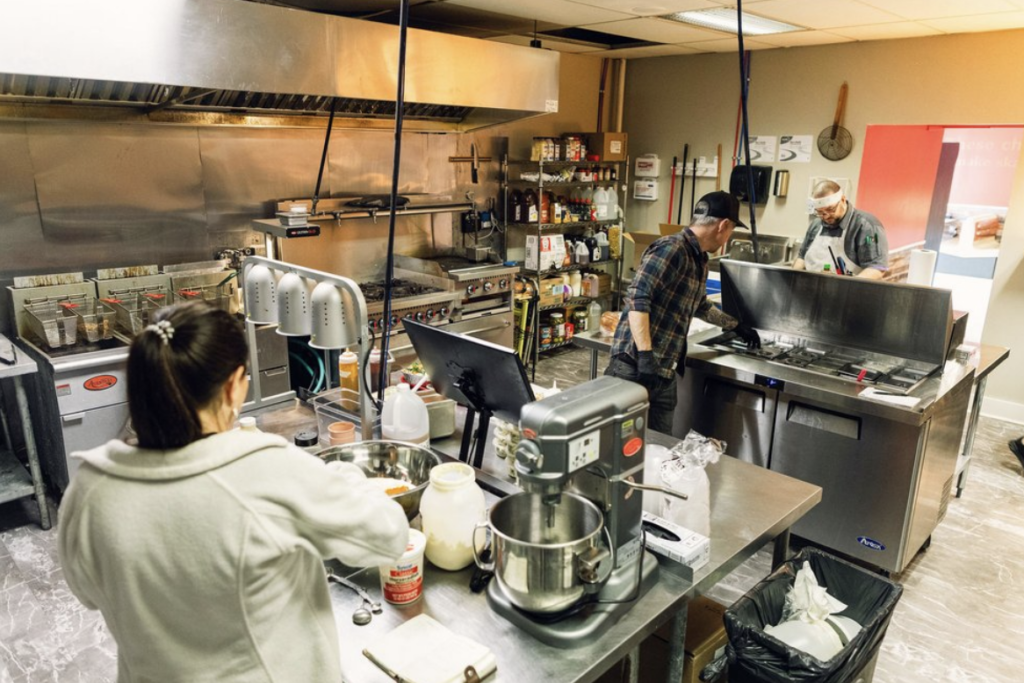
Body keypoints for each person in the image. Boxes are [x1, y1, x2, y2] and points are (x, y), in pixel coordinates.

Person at [58, 301, 409, 683]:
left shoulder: (90, 488)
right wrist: (343, 472)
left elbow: (88, 593)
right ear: (231, 388)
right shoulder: (264, 472)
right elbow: (387, 535)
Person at [605, 191, 760, 433]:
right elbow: (638, 298)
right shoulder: (672, 248)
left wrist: (735, 326)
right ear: (723, 225)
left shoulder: (699, 259)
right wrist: (645, 356)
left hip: (664, 372)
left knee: (660, 450)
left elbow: (700, 305)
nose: (728, 237)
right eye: (731, 231)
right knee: (619, 447)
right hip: (633, 367)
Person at [792, 179, 889, 279]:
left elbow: (877, 267)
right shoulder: (816, 224)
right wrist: (793, 280)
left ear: (842, 200)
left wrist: (848, 289)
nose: (825, 216)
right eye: (820, 212)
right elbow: (802, 258)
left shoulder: (867, 226)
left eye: (831, 209)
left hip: (848, 292)